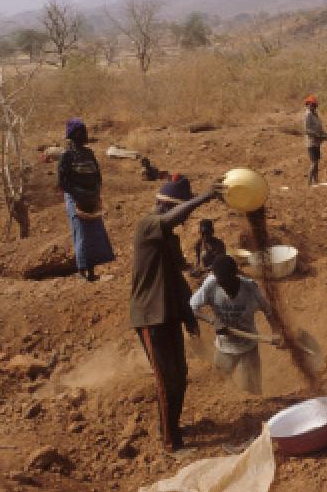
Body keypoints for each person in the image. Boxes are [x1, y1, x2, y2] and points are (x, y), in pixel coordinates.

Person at [129, 174, 221, 451]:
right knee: (166, 382)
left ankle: (170, 426)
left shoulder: (169, 237)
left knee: (180, 375)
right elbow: (167, 220)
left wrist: (188, 314)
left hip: (169, 314)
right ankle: (171, 444)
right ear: (168, 207)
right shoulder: (147, 225)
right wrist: (205, 196)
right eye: (181, 214)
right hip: (150, 317)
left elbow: (177, 278)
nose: (182, 223)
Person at [190, 254, 282, 395]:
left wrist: (276, 332)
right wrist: (212, 320)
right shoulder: (211, 284)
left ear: (236, 275)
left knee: (252, 392)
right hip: (224, 348)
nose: (224, 286)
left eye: (227, 282)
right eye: (221, 283)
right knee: (218, 386)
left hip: (248, 348)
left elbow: (269, 311)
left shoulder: (250, 288)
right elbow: (191, 308)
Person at [57, 118, 115, 282]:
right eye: (78, 132)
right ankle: (82, 271)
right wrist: (78, 194)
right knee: (81, 233)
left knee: (95, 232)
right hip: (75, 199)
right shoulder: (67, 156)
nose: (82, 135)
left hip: (91, 198)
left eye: (83, 131)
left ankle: (91, 271)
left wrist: (95, 193)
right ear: (71, 135)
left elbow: (97, 175)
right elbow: (62, 182)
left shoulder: (89, 153)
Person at [303, 95, 327, 186]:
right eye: (312, 105)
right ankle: (308, 183)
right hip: (311, 142)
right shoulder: (307, 115)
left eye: (315, 105)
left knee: (317, 162)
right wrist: (318, 135)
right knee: (314, 162)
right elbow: (307, 130)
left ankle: (316, 181)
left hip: (317, 142)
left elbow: (319, 128)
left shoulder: (314, 114)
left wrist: (325, 135)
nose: (313, 107)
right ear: (307, 104)